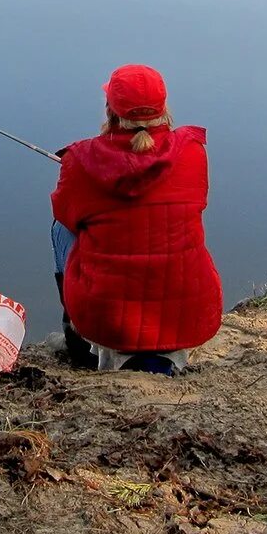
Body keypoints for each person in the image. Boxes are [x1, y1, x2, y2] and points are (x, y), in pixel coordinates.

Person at [50, 64, 223, 375]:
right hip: (188, 313)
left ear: (110, 110)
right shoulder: (193, 151)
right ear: (165, 108)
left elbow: (65, 213)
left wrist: (79, 170)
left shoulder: (80, 159)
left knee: (61, 229)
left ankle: (76, 338)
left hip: (108, 321)